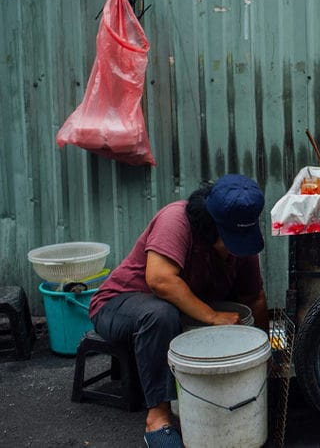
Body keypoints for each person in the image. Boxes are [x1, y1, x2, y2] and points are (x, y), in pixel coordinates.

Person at [88, 174, 269, 448]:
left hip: (181, 312)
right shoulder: (175, 220)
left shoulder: (241, 244)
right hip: (120, 305)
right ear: (210, 227)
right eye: (230, 239)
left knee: (231, 314)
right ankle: (158, 418)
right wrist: (211, 316)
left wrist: (264, 356)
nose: (236, 250)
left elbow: (254, 298)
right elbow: (159, 280)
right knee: (161, 315)